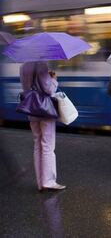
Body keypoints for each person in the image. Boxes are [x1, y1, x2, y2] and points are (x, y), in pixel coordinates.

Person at [20, 62, 65, 192]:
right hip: (45, 111)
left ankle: (41, 183)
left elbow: (26, 86)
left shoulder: (23, 66)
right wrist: (53, 80)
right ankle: (49, 181)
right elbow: (49, 89)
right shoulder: (41, 65)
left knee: (37, 145)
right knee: (47, 146)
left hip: (31, 111)